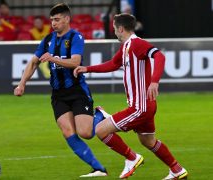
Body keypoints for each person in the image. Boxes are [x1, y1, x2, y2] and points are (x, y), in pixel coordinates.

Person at [74, 13, 188, 179]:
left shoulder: (136, 44)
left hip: (139, 107)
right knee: (148, 141)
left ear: (121, 29)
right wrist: (87, 69)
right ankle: (177, 170)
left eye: (114, 29)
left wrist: (154, 81)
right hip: (145, 106)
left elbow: (160, 56)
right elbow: (113, 64)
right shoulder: (126, 47)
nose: (114, 32)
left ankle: (132, 158)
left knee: (100, 130)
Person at [14, 3, 107, 178]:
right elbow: (34, 62)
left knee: (86, 133)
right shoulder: (47, 40)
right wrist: (22, 84)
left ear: (66, 19)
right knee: (68, 132)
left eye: (57, 19)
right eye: (52, 20)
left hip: (77, 90)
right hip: (58, 94)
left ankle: (100, 115)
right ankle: (99, 169)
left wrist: (53, 58)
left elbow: (75, 62)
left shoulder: (75, 37)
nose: (53, 23)